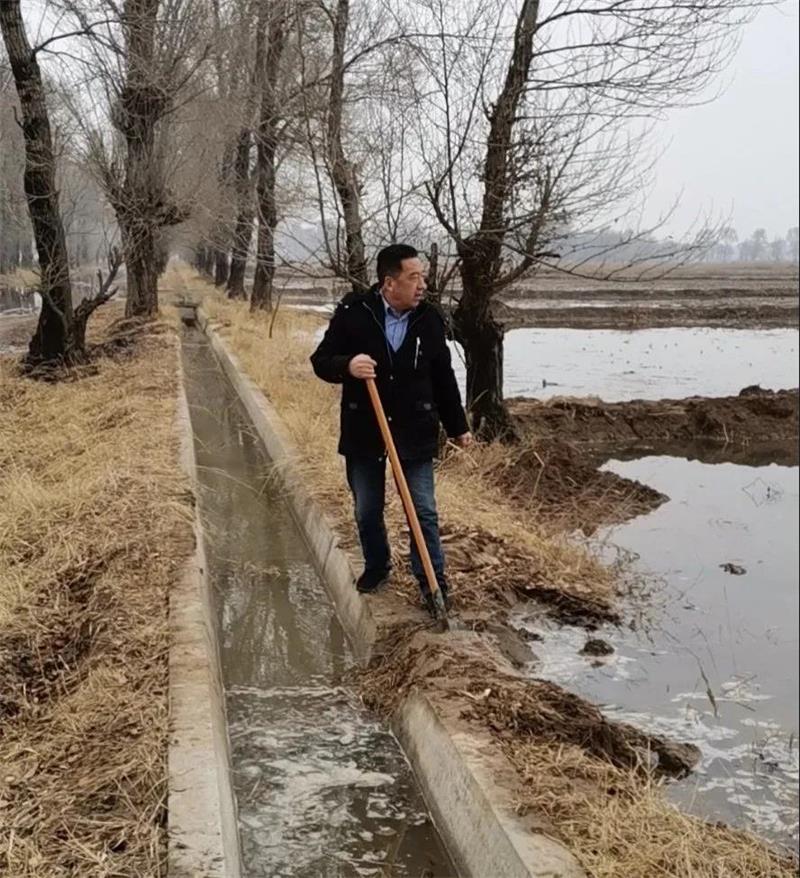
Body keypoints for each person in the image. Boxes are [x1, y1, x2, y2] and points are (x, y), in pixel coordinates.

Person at [310, 244, 472, 616]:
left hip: (415, 429)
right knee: (368, 508)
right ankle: (378, 566)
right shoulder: (354, 313)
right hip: (365, 429)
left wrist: (457, 426)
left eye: (424, 277)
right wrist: (348, 365)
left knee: (423, 510)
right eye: (413, 277)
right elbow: (321, 361)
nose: (422, 286)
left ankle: (433, 582)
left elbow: (443, 377)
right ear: (388, 283)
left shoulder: (428, 319)